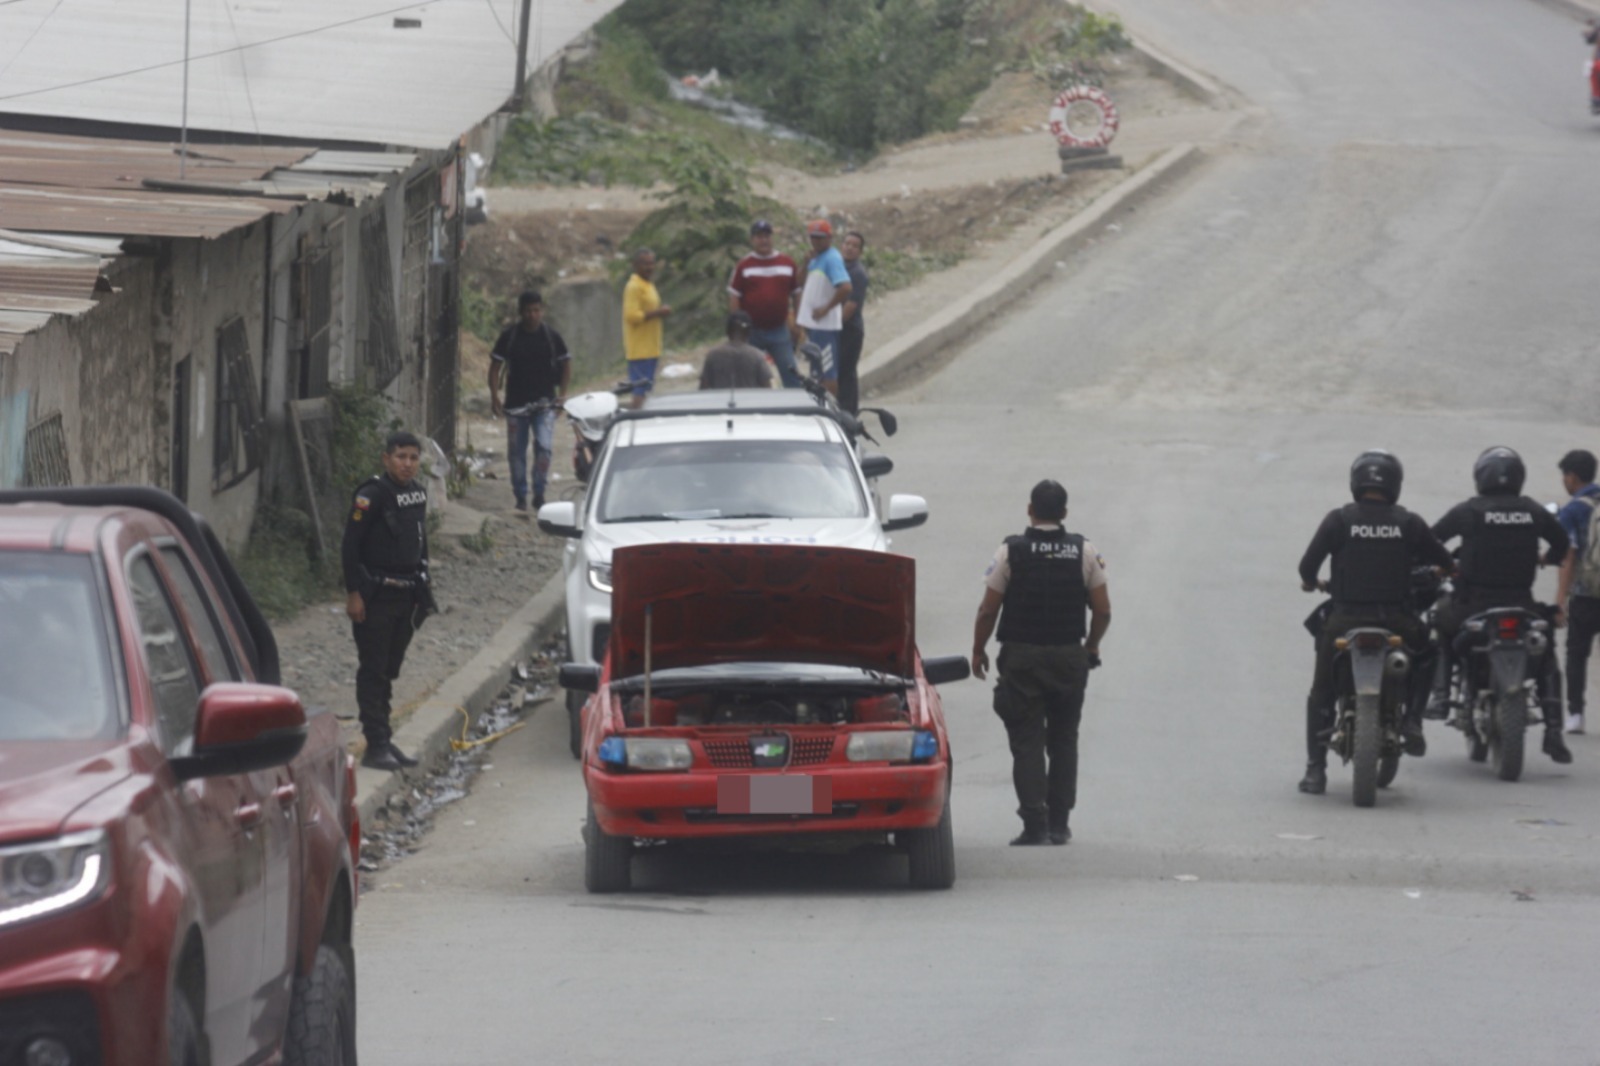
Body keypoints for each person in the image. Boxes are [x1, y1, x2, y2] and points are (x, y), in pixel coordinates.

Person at [1295, 450, 1454, 795]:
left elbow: (1307, 568)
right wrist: (1446, 569)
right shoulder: (1409, 523)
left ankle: (1315, 771)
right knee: (1428, 652)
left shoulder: (1338, 520)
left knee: (1321, 692)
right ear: (1395, 485)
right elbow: (1443, 559)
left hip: (1344, 620)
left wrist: (1313, 582)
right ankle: (1412, 720)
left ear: (1356, 483)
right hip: (1396, 621)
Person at [971, 479, 1111, 846]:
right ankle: (1059, 823)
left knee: (1027, 740)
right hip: (1069, 657)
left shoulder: (1010, 552)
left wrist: (978, 649)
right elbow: (1103, 609)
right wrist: (1091, 647)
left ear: (1030, 510)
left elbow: (989, 609)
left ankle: (1035, 824)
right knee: (1064, 739)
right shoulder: (1084, 551)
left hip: (1023, 660)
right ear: (1064, 513)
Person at [1429, 445, 1572, 764]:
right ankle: (1554, 733)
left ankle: (1439, 697)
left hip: (1472, 606)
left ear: (1481, 476)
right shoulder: (1533, 510)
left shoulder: (1468, 510)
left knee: (1441, 622)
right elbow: (1562, 544)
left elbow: (1431, 539)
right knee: (1546, 655)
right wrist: (1546, 559)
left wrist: (1444, 565)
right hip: (1522, 607)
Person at [343, 430, 436, 772]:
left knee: (390, 668)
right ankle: (376, 743)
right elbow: (349, 548)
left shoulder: (416, 494)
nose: (407, 464)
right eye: (401, 457)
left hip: (407, 594)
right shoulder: (371, 496)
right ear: (386, 459)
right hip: (376, 596)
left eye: (413, 458)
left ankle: (384, 737)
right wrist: (354, 594)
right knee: (374, 670)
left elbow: (420, 540)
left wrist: (424, 585)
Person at [488, 291, 571, 513]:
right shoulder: (510, 337)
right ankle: (521, 496)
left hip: (545, 405)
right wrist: (494, 395)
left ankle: (539, 492)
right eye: (528, 311)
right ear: (521, 312)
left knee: (544, 448)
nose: (532, 315)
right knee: (516, 453)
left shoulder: (551, 337)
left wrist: (562, 396)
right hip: (515, 406)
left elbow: (566, 364)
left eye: (536, 310)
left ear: (541, 310)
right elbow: (495, 368)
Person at [1555, 448, 1600, 734]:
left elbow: (1567, 557)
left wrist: (1560, 600)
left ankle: (1575, 714)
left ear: (1572, 477)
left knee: (1576, 653)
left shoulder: (1573, 510)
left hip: (1586, 594)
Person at [727, 219, 802, 388]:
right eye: (759, 236)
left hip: (779, 331)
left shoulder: (787, 263)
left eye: (767, 236)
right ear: (752, 240)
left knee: (791, 373)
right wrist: (737, 327)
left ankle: (797, 408)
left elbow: (797, 294)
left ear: (772, 238)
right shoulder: (743, 266)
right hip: (751, 332)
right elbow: (734, 297)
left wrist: (797, 322)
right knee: (747, 375)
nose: (763, 240)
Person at [794, 220, 852, 398]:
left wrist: (825, 309)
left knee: (827, 370)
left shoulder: (832, 258)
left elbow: (845, 287)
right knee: (817, 370)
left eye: (820, 238)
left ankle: (830, 409)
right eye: (813, 237)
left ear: (829, 238)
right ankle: (819, 404)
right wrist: (805, 264)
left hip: (825, 326)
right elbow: (799, 282)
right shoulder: (815, 258)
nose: (816, 242)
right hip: (815, 326)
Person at [623, 248, 671, 409]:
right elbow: (631, 315)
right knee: (639, 392)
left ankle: (641, 422)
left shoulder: (647, 284)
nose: (649, 267)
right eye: (645, 264)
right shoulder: (634, 286)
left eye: (652, 263)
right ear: (635, 265)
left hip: (651, 348)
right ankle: (633, 422)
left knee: (646, 392)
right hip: (639, 351)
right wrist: (659, 312)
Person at [837, 230, 870, 415]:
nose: (849, 248)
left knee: (846, 372)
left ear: (860, 251)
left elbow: (850, 306)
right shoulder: (838, 267)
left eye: (854, 246)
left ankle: (849, 412)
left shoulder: (858, 274)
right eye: (847, 244)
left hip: (849, 330)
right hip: (837, 328)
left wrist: (834, 325)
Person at [700, 311, 773, 390]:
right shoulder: (757, 356)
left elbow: (703, 389)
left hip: (721, 402)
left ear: (727, 331)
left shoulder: (712, 356)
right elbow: (767, 390)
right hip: (750, 402)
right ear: (749, 332)